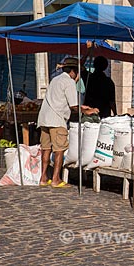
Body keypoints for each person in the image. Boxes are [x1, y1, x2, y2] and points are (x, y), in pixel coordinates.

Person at [37, 57, 99, 188]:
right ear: (73, 71)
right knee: (59, 150)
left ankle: (43, 177)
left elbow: (62, 100)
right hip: (57, 119)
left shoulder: (55, 79)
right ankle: (56, 179)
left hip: (44, 118)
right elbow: (73, 106)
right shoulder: (69, 82)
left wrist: (83, 107)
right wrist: (87, 111)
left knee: (46, 148)